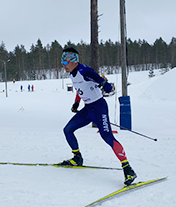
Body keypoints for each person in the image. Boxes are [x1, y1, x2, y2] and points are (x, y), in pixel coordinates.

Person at [59, 47, 137, 186]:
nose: (63, 64)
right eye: (62, 61)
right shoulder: (72, 73)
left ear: (74, 61)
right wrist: (77, 103)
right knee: (68, 130)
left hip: (99, 108)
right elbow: (80, 88)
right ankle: (77, 158)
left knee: (107, 136)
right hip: (88, 109)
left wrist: (107, 86)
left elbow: (99, 80)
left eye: (66, 61)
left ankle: (128, 169)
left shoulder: (85, 71)